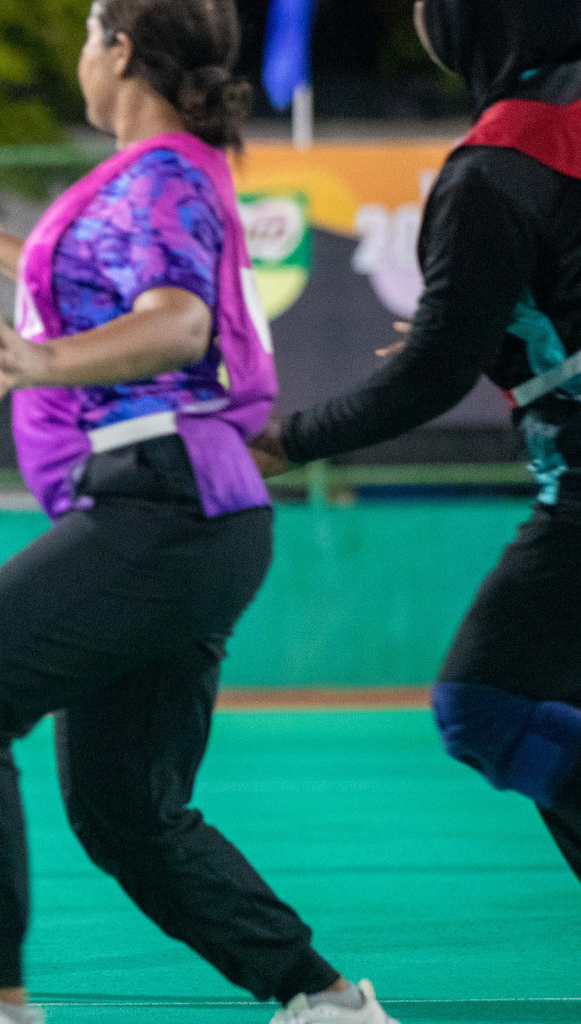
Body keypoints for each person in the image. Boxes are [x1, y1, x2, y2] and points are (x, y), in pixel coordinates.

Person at [0, 3, 396, 1024]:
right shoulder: (154, 178)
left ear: (119, 49)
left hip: (167, 506)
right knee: (126, 809)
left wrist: (39, 359)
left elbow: (175, 321)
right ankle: (324, 1000)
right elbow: (101, 282)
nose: (82, 55)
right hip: (186, 515)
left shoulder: (166, 172)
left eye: (89, 33)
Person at [249, 0, 581, 880]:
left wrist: (286, 441)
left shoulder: (505, 158)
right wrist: (480, 330)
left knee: (487, 704)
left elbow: (432, 373)